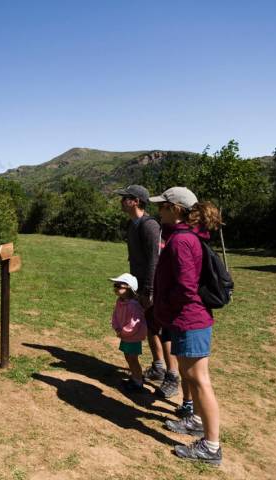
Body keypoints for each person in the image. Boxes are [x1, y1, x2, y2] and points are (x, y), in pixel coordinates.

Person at [149, 187, 223, 465]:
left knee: (200, 381)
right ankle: (194, 421)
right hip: (185, 319)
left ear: (176, 209)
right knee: (191, 376)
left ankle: (212, 447)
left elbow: (186, 288)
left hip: (189, 319)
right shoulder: (183, 237)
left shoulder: (182, 241)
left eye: (163, 206)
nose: (160, 210)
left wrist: (162, 309)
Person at [115, 185, 181, 399]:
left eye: (125, 198)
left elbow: (155, 258)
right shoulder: (132, 224)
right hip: (140, 285)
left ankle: (172, 376)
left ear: (135, 201)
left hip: (153, 286)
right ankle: (158, 366)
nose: (121, 201)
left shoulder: (149, 225)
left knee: (161, 329)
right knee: (151, 326)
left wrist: (149, 290)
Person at [109, 273, 148, 393]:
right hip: (125, 336)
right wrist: (116, 327)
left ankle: (138, 383)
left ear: (129, 288)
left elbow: (134, 324)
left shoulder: (134, 305)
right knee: (128, 357)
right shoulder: (119, 301)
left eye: (118, 286)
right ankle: (135, 378)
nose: (115, 288)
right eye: (114, 285)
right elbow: (115, 315)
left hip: (133, 337)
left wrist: (123, 332)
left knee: (132, 359)